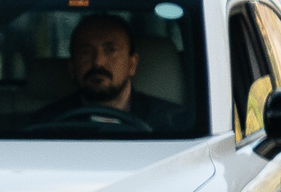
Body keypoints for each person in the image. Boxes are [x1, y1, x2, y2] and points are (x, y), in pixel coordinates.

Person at [31, 11, 189, 132]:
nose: (98, 62)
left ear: (132, 64)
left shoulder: (172, 122)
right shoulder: (45, 124)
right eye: (85, 52)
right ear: (71, 66)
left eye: (111, 50)